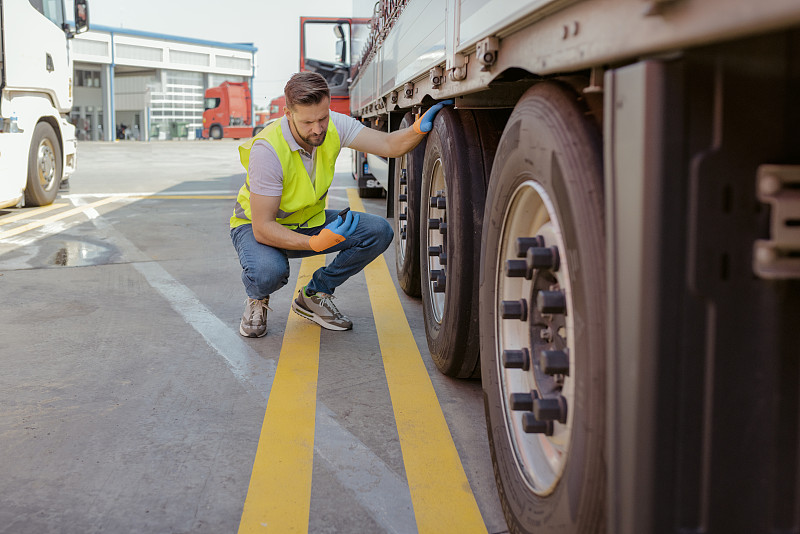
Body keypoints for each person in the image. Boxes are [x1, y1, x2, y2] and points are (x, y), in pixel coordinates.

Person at [230, 71, 452, 337]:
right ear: (288, 114)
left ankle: (314, 295)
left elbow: (387, 144)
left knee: (378, 231)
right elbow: (263, 227)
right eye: (307, 122)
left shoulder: (335, 125)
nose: (317, 129)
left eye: (322, 118)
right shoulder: (268, 151)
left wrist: (417, 129)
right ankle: (257, 298)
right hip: (257, 229)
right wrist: (314, 243)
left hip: (308, 222)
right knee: (268, 272)